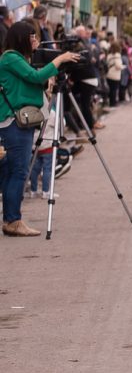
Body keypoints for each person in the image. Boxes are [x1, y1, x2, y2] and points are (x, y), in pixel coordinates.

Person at [0, 20, 79, 237]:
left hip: (17, 121)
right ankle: (13, 221)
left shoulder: (17, 59)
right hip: (14, 122)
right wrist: (60, 59)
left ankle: (11, 219)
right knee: (18, 171)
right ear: (22, 38)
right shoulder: (11, 58)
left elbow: (30, 81)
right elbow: (35, 77)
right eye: (32, 36)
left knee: (12, 171)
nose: (35, 40)